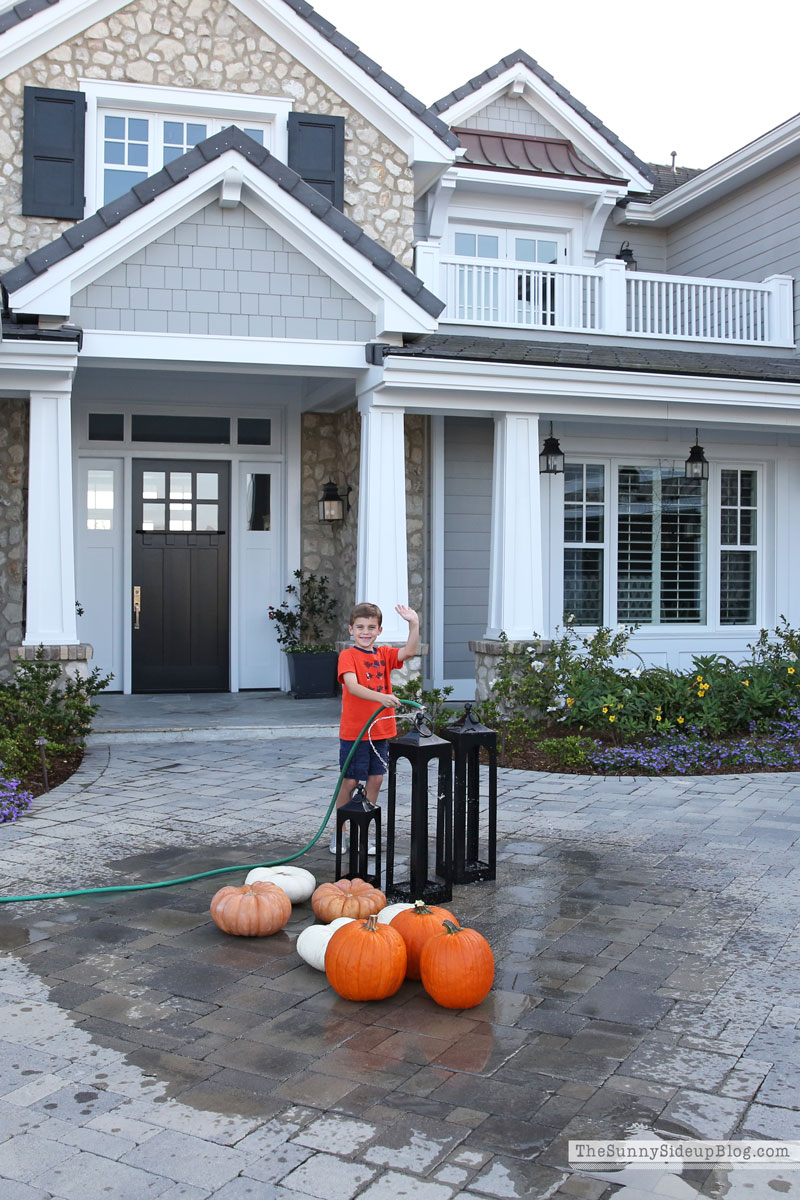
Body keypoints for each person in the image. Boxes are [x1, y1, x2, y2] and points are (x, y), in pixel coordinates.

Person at [331, 601, 420, 853]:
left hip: (380, 731)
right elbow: (353, 686)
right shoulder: (347, 656)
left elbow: (409, 651)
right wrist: (381, 698)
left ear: (379, 631)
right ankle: (340, 831)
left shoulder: (383, 654)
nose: (365, 631)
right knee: (349, 781)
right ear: (351, 629)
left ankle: (362, 830)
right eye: (360, 627)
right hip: (355, 732)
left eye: (371, 627)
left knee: (376, 779)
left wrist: (414, 624)